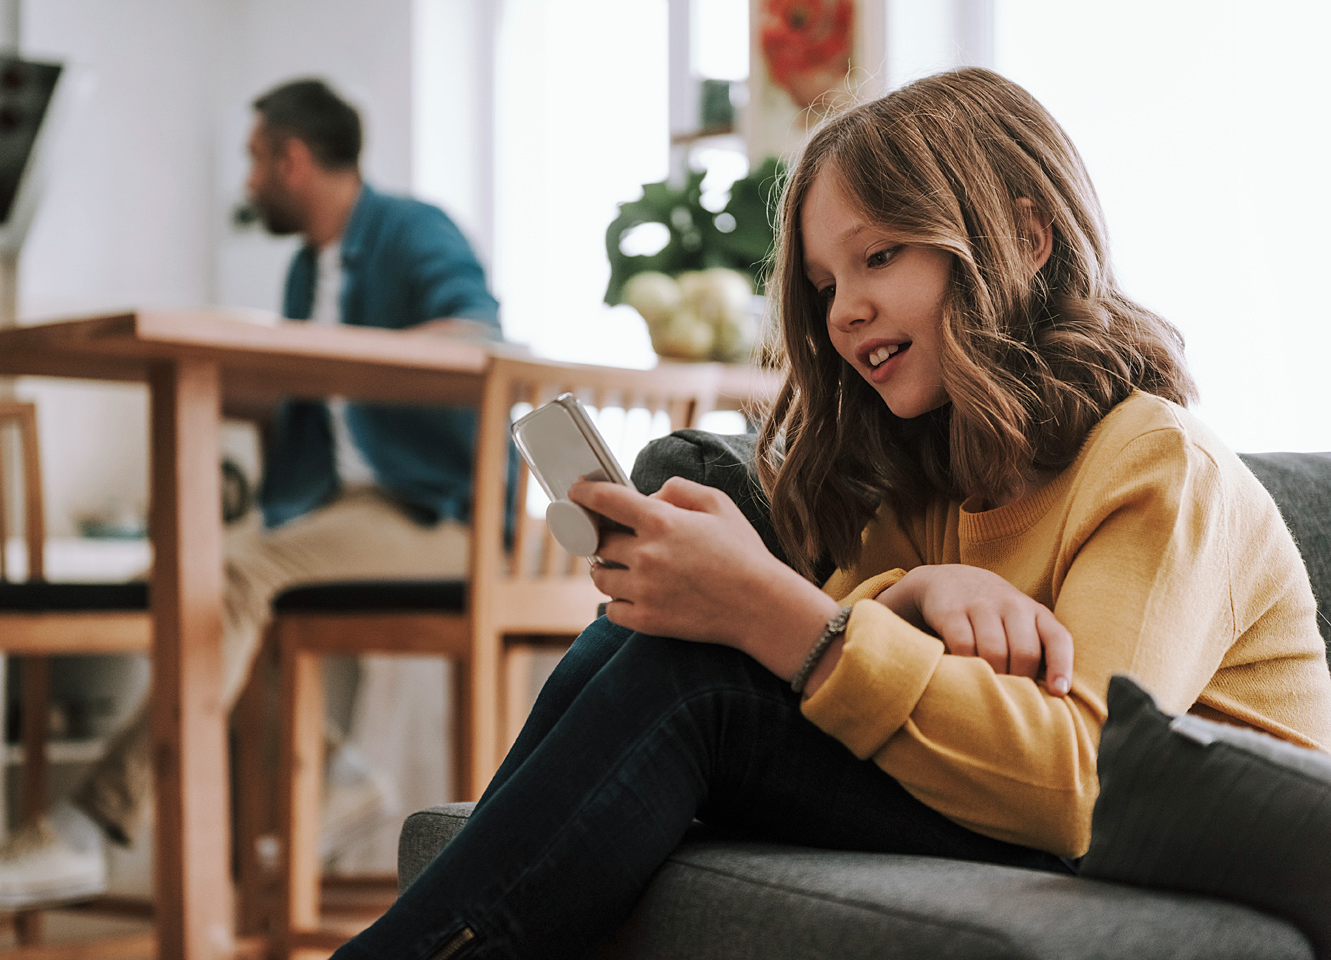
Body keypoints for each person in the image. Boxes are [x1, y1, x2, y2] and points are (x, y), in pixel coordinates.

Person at [331, 67, 1331, 960]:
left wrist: (773, 610)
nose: (842, 309)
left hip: (1163, 853)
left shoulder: (1157, 459)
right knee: (633, 647)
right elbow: (867, 641)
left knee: (704, 682)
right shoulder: (936, 465)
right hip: (1024, 812)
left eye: (880, 255)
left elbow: (1084, 782)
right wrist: (919, 589)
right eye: (822, 284)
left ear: (1026, 238)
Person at [0, 78, 502, 908]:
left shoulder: (410, 231)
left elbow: (477, 337)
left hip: (443, 514)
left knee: (231, 578)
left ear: (293, 158)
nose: (246, 181)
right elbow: (300, 404)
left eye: (253, 159)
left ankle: (92, 824)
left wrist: (321, 357)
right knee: (190, 577)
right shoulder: (301, 273)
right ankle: (336, 771)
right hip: (344, 512)